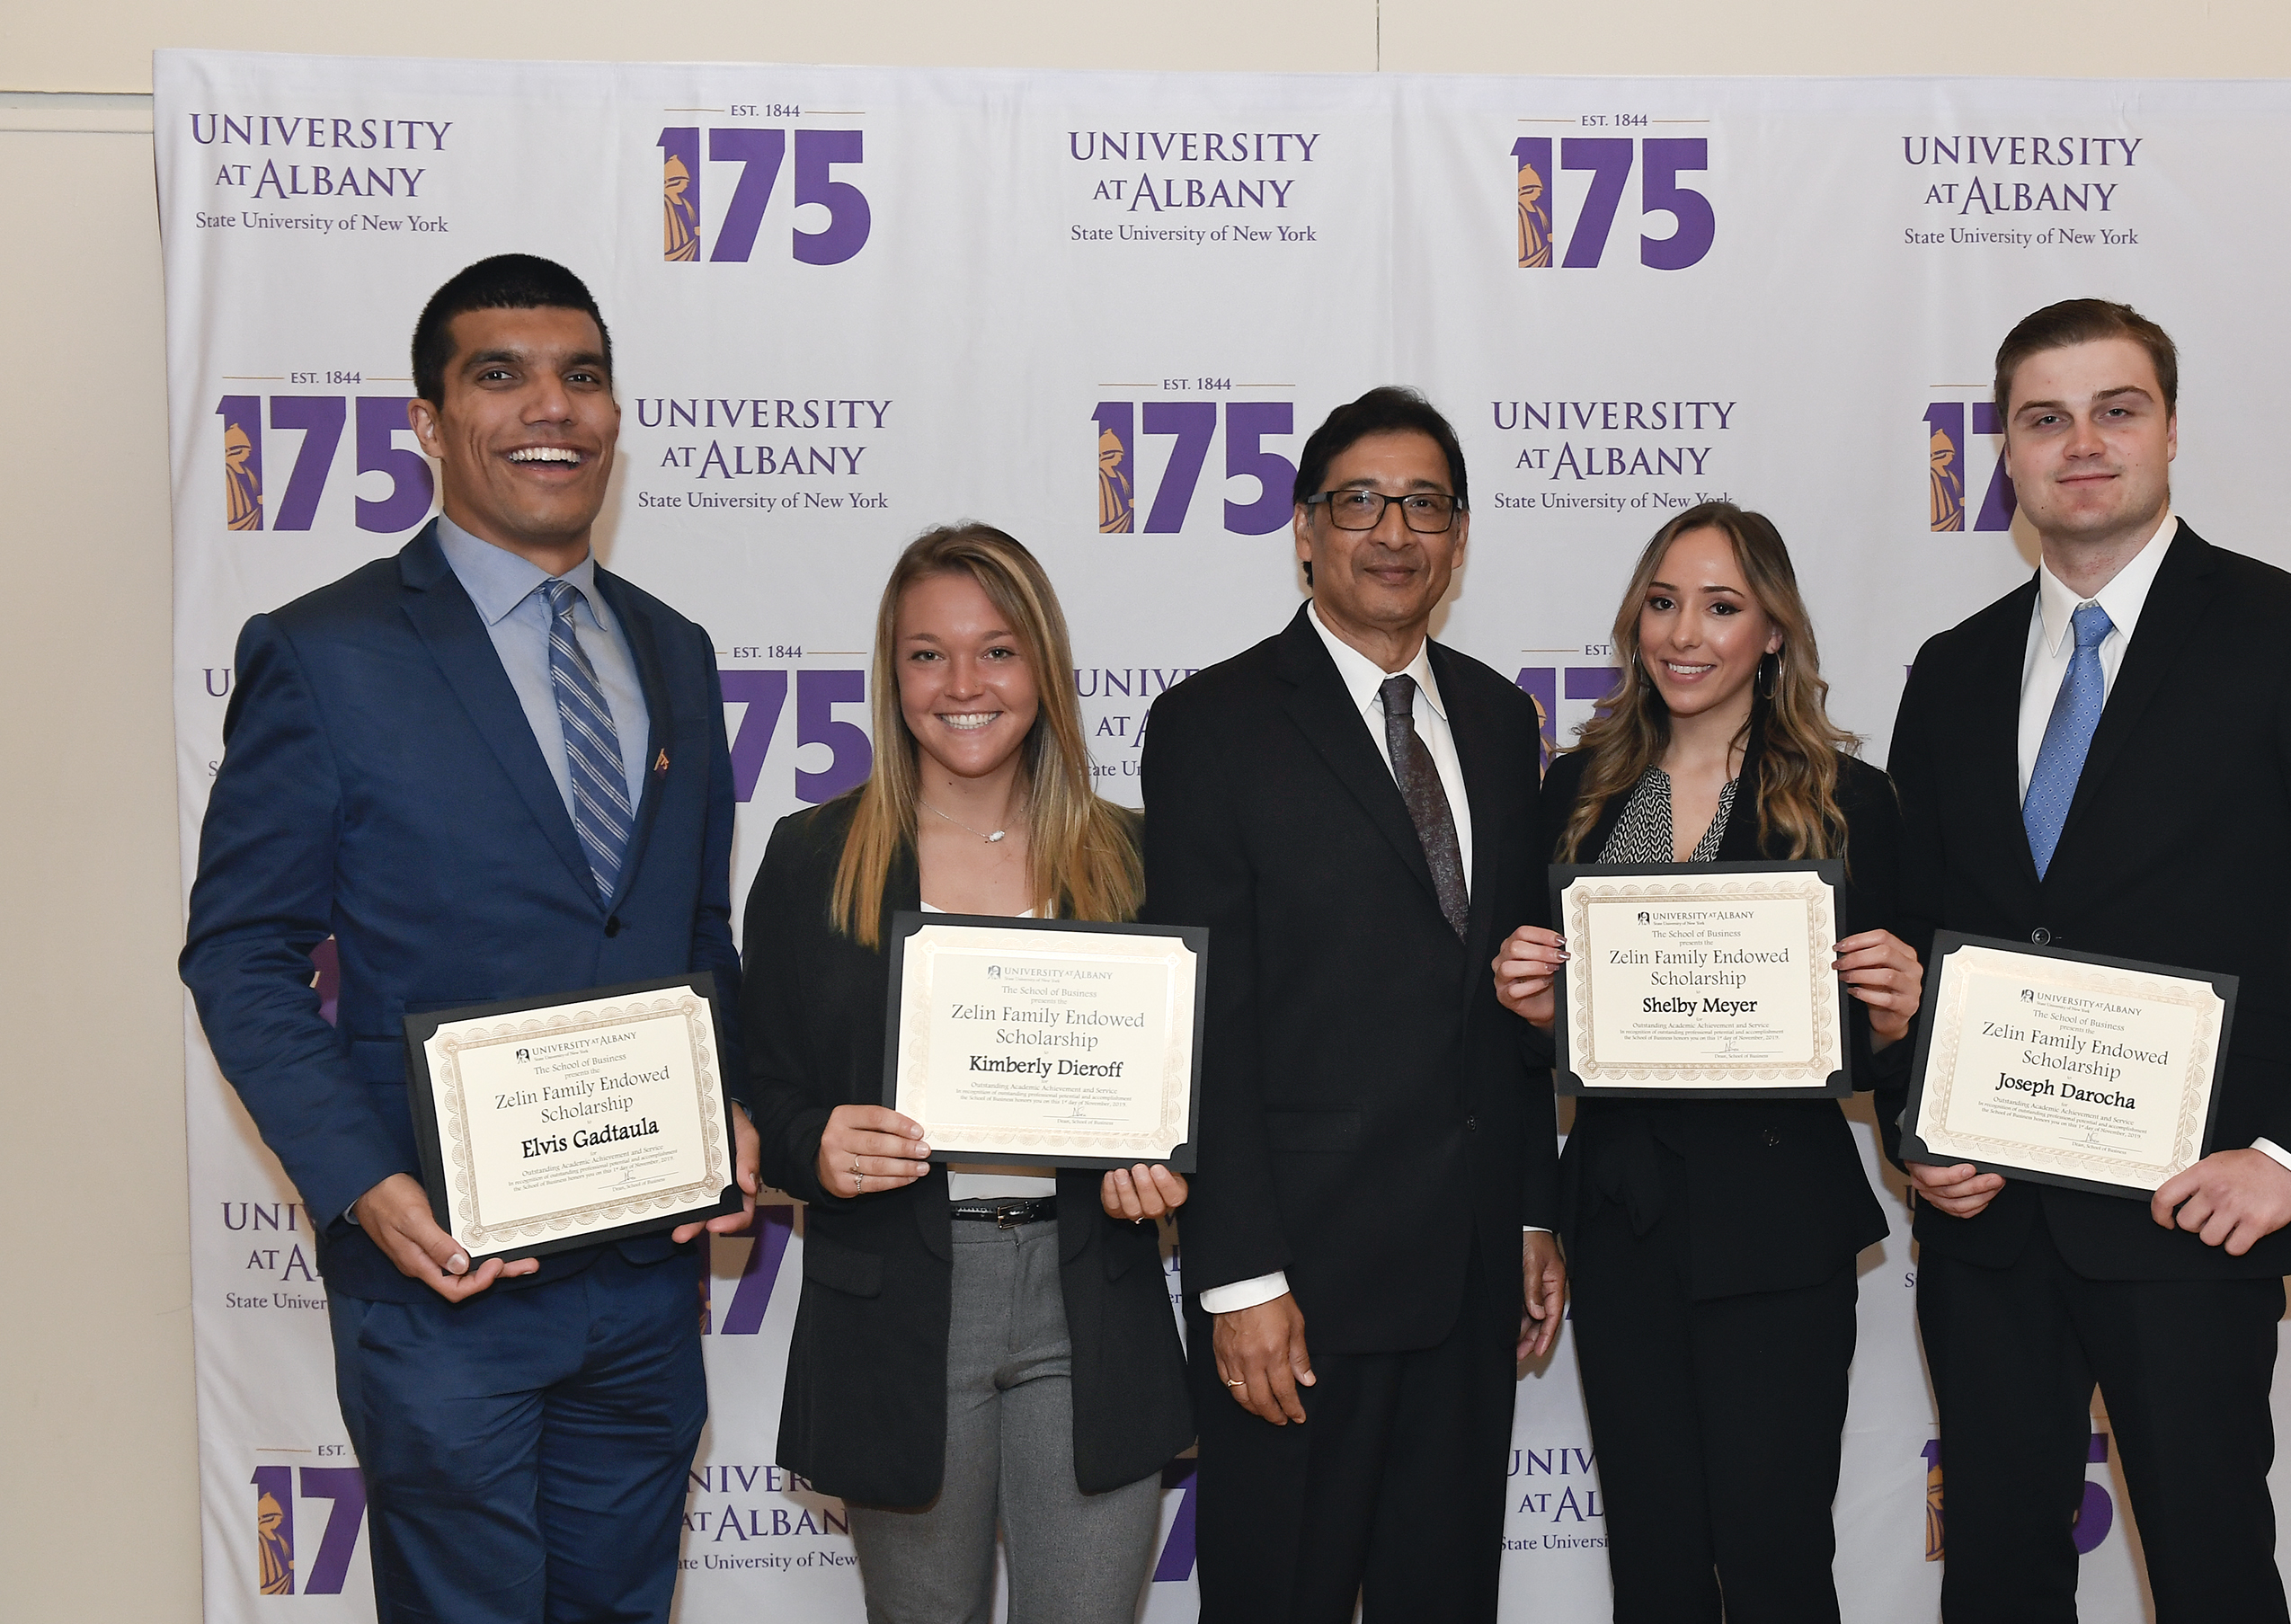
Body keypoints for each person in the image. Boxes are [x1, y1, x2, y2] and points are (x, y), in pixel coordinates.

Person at [180, 253, 762, 1623]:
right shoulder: (324, 652)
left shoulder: (676, 649)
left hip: (643, 1273)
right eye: (500, 375)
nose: (550, 406)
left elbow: (694, 929)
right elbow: (241, 952)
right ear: (429, 424)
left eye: (582, 375)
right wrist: (363, 1183)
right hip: (441, 1278)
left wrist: (725, 1102)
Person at [1881, 299, 2291, 1621]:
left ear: (2172, 428)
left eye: (2117, 409)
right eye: (2045, 418)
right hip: (1987, 1227)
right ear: (2006, 450)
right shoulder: (1952, 671)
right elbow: (1914, 945)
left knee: (2212, 1578)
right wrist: (1920, 1127)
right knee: (1996, 1583)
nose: (2082, 442)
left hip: (2191, 1215)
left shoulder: (2289, 635)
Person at [1140, 386, 1567, 1621]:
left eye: (1424, 504)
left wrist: (1532, 1209)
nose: (1394, 531)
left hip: (1471, 1274)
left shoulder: (1501, 718)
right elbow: (1203, 1019)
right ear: (1306, 528)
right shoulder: (1210, 723)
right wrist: (1237, 1279)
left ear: (1460, 535)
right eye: (1361, 501)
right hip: (1298, 1288)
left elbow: (1510, 989)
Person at [742, 523, 1194, 1624]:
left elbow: (1208, 1083)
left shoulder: (1138, 858)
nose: (962, 685)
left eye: (996, 650)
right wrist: (815, 1146)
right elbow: (762, 1093)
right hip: (898, 1303)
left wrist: (1172, 1168)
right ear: (891, 673)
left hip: (1092, 1298)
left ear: (1044, 665)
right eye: (926, 654)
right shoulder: (812, 858)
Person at [1490, 502, 1925, 1622]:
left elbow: (1883, 1059)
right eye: (1663, 602)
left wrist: (1898, 1013)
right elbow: (1555, 1043)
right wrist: (1530, 1009)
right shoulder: (1577, 789)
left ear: (1772, 632)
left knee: (1778, 1564)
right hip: (1623, 1221)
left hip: (1778, 1229)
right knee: (1655, 1565)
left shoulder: (1847, 799)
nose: (1684, 633)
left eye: (1721, 606)